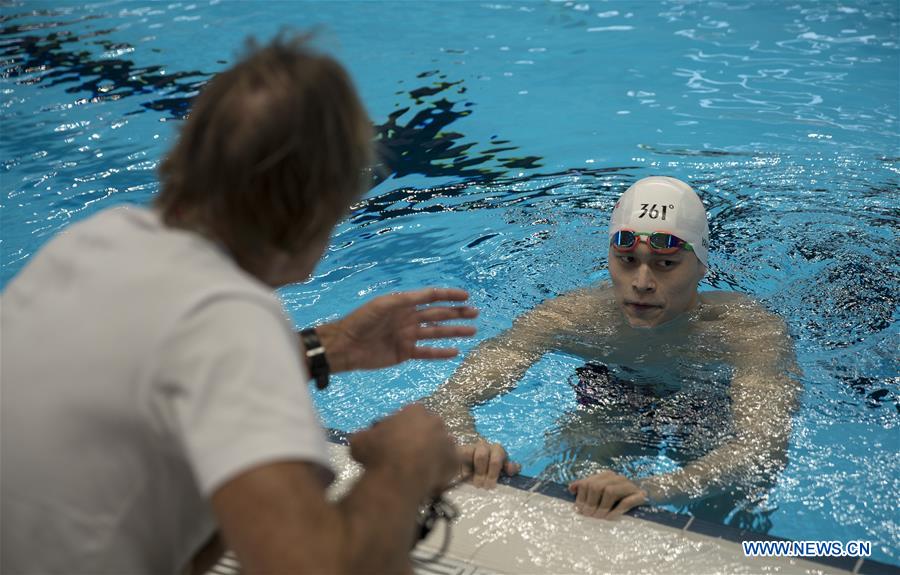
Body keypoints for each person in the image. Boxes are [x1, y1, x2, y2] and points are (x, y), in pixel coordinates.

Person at [1, 35, 478, 575]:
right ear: (321, 204)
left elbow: (169, 381)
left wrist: (326, 349)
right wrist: (403, 466)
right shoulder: (230, 318)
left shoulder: (96, 240)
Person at [426, 176, 800, 523]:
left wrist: (651, 489)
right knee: (569, 487)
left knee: (730, 509)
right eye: (627, 261)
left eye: (666, 264)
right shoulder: (571, 317)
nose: (642, 283)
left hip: (708, 410)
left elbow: (761, 447)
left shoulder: (746, 331)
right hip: (614, 399)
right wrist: (468, 444)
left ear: (701, 266)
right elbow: (449, 397)